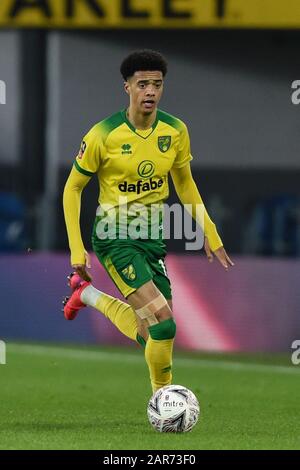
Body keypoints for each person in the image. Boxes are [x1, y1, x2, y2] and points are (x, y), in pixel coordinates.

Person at [63, 49, 234, 394]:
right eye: (143, 84)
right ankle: (164, 400)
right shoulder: (103, 135)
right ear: (127, 87)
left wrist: (209, 231)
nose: (151, 92)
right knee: (165, 323)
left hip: (152, 238)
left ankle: (88, 296)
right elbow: (72, 189)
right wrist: (76, 250)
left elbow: (184, 183)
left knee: (151, 330)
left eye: (157, 84)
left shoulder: (174, 130)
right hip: (114, 236)